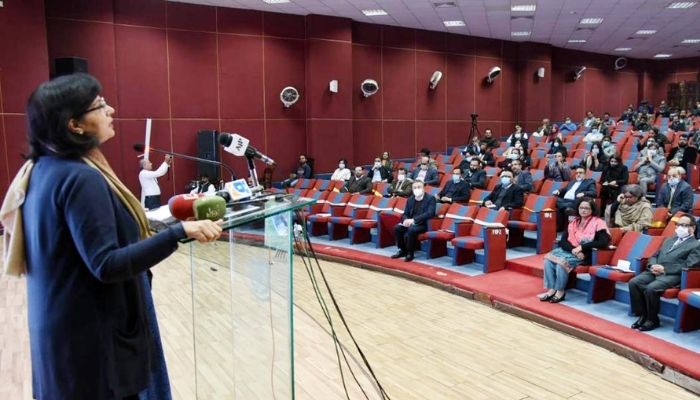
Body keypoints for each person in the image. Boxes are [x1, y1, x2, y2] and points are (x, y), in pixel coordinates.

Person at [0, 73, 222, 400]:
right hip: (92, 345)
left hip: (63, 338)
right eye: (100, 105)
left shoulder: (43, 167)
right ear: (74, 125)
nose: (111, 110)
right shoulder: (79, 177)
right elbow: (105, 263)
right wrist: (179, 232)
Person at [629, 213, 700, 331]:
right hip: (655, 270)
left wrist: (665, 269)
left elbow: (689, 265)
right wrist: (652, 265)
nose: (679, 227)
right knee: (634, 282)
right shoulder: (669, 239)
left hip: (673, 275)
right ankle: (643, 315)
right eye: (678, 224)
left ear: (692, 228)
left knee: (651, 288)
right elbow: (655, 254)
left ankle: (652, 319)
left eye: (684, 225)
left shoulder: (696, 245)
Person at [540, 198, 610, 303]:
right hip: (571, 251)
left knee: (561, 263)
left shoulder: (598, 223)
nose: (583, 210)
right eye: (581, 208)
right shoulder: (573, 222)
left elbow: (603, 242)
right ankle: (551, 289)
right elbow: (563, 241)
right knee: (548, 260)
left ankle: (560, 291)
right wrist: (573, 249)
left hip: (586, 254)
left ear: (592, 210)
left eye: (587, 208)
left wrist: (582, 247)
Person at [391, 181, 436, 262]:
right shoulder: (410, 199)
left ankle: (410, 253)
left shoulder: (430, 198)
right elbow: (405, 213)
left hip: (423, 224)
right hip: (410, 223)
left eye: (419, 187)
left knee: (411, 230)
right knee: (397, 228)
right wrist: (405, 220)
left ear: (423, 188)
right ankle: (403, 250)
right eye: (414, 188)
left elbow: (430, 213)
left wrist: (414, 220)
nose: (417, 189)